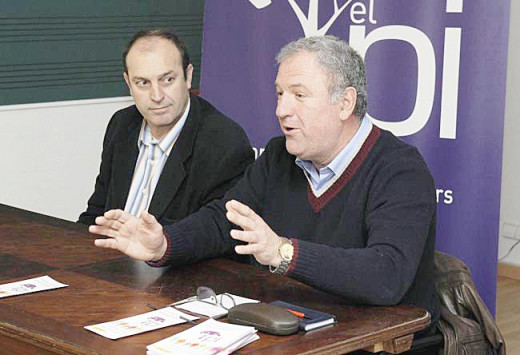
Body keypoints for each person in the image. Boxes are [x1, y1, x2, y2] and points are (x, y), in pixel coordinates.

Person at [89, 35, 440, 324]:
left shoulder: (399, 170)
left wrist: (282, 252)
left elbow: (387, 275)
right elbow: (222, 220)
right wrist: (164, 244)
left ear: (345, 103)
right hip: (291, 327)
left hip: (380, 340)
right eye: (279, 94)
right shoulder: (278, 156)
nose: (281, 110)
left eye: (299, 95)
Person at [78, 29, 253, 226]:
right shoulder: (121, 124)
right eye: (143, 83)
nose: (157, 96)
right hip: (112, 254)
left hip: (172, 257)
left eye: (167, 80)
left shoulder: (223, 142)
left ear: (188, 76)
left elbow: (216, 237)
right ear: (128, 83)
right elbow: (96, 213)